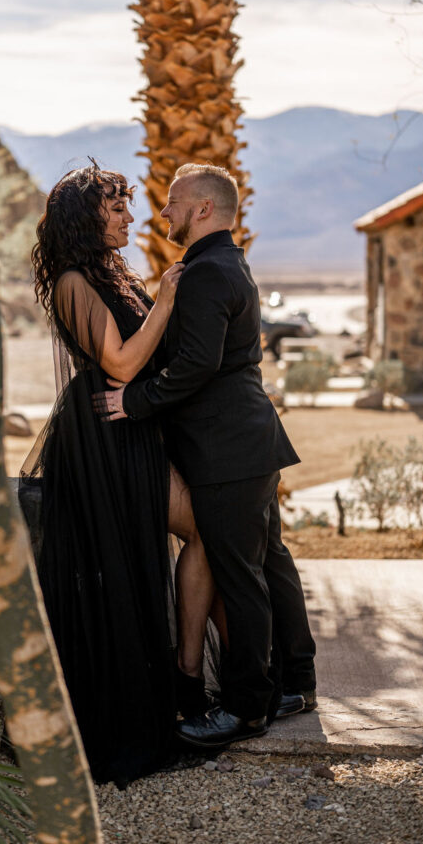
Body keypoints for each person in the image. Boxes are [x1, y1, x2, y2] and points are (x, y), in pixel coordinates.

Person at [95, 162, 316, 749]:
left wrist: (133, 403)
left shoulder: (206, 272)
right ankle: (298, 680)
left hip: (227, 448)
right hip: (248, 440)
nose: (161, 213)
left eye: (171, 203)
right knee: (267, 560)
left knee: (241, 577)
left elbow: (198, 363)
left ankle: (246, 709)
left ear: (201, 210)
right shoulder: (223, 263)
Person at [23, 161, 222, 785]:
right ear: (88, 217)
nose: (130, 219)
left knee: (200, 535)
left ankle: (191, 679)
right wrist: (164, 300)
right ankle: (182, 686)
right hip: (104, 436)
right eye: (117, 208)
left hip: (133, 429)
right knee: (187, 537)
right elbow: (122, 363)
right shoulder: (74, 283)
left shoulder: (111, 275)